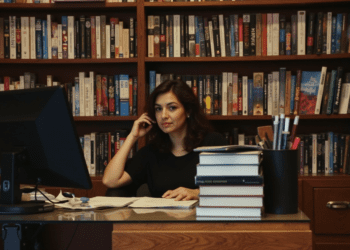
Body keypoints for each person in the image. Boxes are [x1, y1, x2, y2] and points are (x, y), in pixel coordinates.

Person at [102, 79, 226, 201]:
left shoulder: (212, 143)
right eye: (158, 109)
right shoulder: (152, 152)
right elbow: (110, 180)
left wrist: (197, 192)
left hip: (202, 218)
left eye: (172, 108)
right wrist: (132, 137)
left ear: (188, 110)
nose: (163, 116)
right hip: (161, 219)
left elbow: (231, 187)